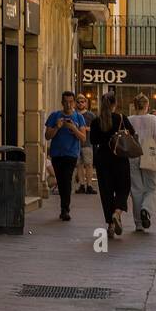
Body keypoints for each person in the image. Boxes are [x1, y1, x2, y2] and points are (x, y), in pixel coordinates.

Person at [90, 91, 134, 238]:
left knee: (106, 192)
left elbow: (93, 141)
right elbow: (132, 134)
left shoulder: (96, 121)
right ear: (115, 104)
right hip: (120, 158)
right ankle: (117, 212)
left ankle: (110, 224)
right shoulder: (121, 118)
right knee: (124, 187)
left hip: (103, 159)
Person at [44, 92, 87, 220]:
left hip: (71, 154)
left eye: (71, 102)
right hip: (57, 154)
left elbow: (83, 138)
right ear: (62, 103)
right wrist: (57, 127)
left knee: (66, 180)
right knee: (61, 180)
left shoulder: (79, 118)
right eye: (66, 102)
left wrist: (73, 128)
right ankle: (64, 207)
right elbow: (47, 136)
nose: (68, 105)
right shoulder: (55, 116)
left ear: (74, 102)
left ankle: (65, 209)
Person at [127, 93, 156, 230]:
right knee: (151, 187)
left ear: (134, 106)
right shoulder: (153, 119)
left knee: (136, 189)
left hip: (133, 154)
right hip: (150, 151)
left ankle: (138, 224)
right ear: (147, 105)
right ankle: (146, 209)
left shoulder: (129, 119)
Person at [75, 93, 96, 195]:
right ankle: (82, 185)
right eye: (78, 101)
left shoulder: (91, 115)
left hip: (87, 143)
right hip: (75, 144)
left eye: (82, 101)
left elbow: (97, 128)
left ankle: (90, 185)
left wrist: (86, 128)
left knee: (88, 165)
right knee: (79, 165)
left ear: (86, 103)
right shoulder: (74, 114)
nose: (80, 103)